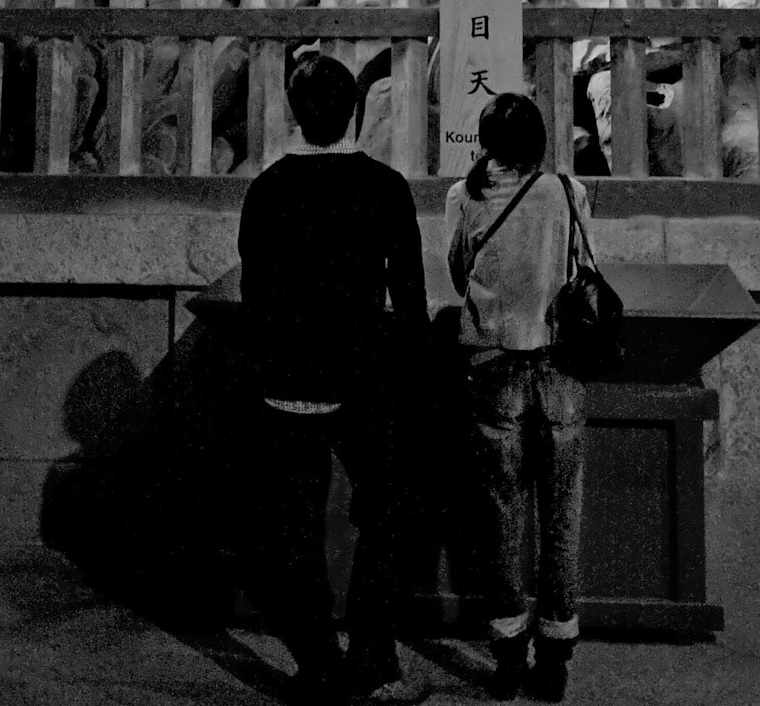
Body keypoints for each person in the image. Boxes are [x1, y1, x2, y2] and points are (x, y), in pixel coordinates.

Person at [237, 53, 431, 701]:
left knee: (295, 524)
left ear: (293, 112)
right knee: (387, 510)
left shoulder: (266, 189)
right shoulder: (384, 187)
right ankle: (372, 654)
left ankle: (317, 661)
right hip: (364, 377)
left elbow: (255, 296)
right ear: (354, 109)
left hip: (288, 380)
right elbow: (408, 301)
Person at [445, 93, 594, 701]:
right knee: (561, 511)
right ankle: (555, 654)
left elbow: (457, 272)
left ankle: (509, 651)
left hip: (494, 363)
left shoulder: (465, 195)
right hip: (560, 364)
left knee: (500, 511)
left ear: (485, 142)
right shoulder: (568, 191)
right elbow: (585, 267)